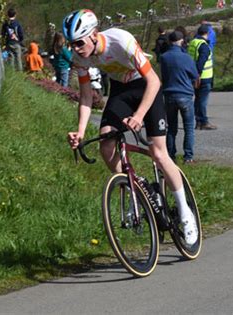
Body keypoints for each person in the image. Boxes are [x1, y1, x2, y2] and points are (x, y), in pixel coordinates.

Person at [64, 9, 198, 244]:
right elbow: (86, 97)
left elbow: (154, 81)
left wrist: (138, 116)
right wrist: (81, 132)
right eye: (71, 44)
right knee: (106, 145)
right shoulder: (80, 57)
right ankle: (137, 189)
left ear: (94, 34)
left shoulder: (121, 40)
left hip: (146, 87)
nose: (75, 49)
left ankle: (185, 212)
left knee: (158, 152)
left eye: (78, 43)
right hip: (121, 91)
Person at [160, 31, 199, 164]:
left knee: (171, 128)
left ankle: (171, 156)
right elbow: (195, 76)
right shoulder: (187, 58)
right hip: (185, 95)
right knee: (188, 127)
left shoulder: (164, 57)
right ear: (182, 41)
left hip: (169, 94)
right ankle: (188, 157)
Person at [188, 24, 216, 130]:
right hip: (203, 77)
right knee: (202, 101)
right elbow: (201, 61)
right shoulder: (203, 45)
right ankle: (203, 121)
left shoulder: (193, 42)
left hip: (194, 75)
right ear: (207, 34)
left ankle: (198, 121)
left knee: (198, 100)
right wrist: (198, 74)